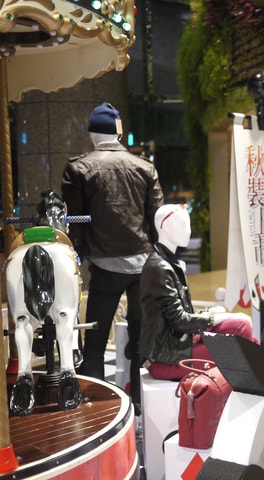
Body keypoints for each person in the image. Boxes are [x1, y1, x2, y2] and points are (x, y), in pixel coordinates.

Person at [61, 102, 164, 414]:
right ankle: (139, 404)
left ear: (93, 133)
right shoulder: (144, 167)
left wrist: (79, 257)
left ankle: (96, 407)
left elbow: (75, 223)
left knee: (95, 342)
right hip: (143, 265)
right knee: (141, 339)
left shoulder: (78, 168)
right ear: (118, 134)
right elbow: (157, 219)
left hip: (105, 267)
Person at [139, 204, 257, 380]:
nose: (188, 231)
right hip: (166, 357)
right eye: (183, 225)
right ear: (166, 227)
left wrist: (213, 315)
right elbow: (179, 320)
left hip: (181, 342)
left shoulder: (170, 263)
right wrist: (214, 317)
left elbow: (180, 316)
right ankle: (257, 375)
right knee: (241, 348)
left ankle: (255, 372)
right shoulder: (159, 267)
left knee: (243, 325)